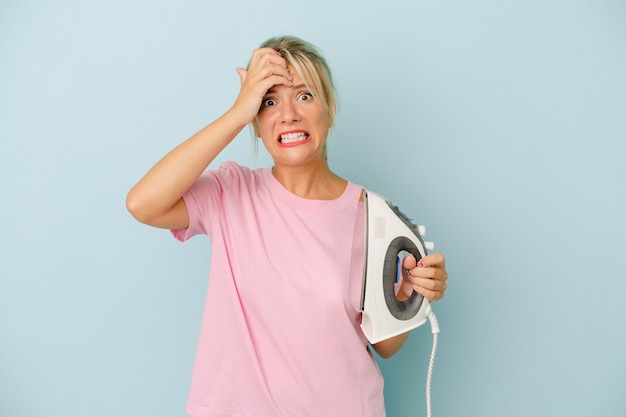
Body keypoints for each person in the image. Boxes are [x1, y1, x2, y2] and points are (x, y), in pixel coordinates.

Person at [126, 35, 448, 417]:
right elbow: (142, 204)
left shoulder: (371, 213)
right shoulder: (231, 192)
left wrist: (410, 293)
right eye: (269, 101)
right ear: (256, 121)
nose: (289, 114)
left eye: (305, 96)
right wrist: (235, 113)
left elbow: (385, 346)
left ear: (328, 109)